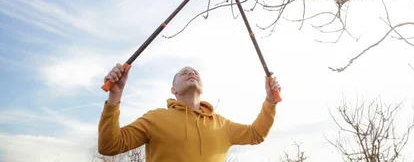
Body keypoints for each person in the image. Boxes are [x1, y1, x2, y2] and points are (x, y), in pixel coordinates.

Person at [98, 63, 281, 161]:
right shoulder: (155, 118)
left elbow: (256, 134)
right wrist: (115, 96)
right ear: (173, 90)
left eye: (195, 72)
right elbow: (109, 146)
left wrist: (270, 101)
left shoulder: (221, 124)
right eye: (184, 73)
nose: (191, 73)